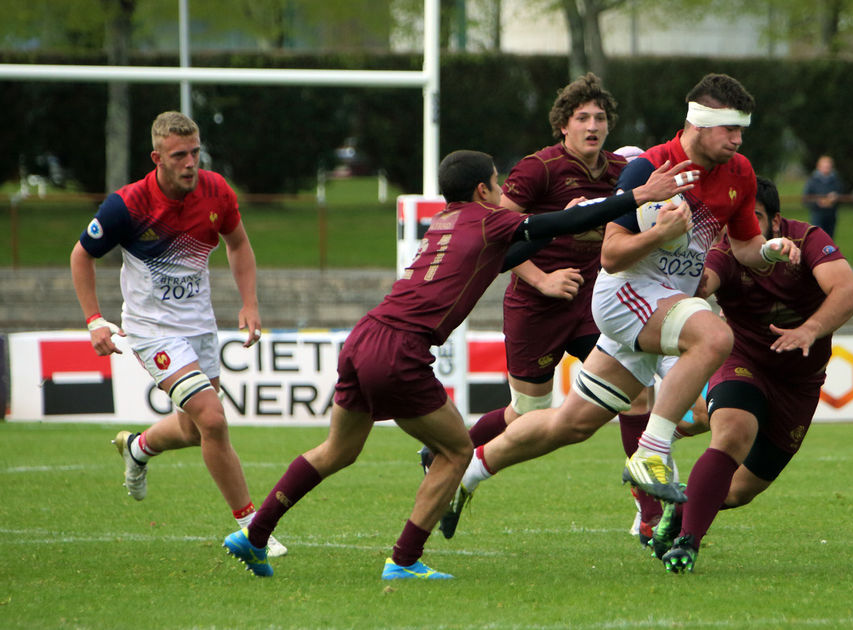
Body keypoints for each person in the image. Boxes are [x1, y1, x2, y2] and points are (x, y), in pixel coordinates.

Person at [221, 149, 698, 579]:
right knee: (456, 452)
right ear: (482, 190)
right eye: (497, 181)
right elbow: (552, 228)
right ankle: (404, 560)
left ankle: (254, 535)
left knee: (336, 451)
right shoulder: (487, 218)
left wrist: (576, 216)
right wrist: (637, 196)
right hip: (401, 350)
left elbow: (511, 252)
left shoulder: (447, 221)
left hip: (364, 338)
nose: (501, 189)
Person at [444, 73, 801, 538]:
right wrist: (659, 234)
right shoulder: (649, 170)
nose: (738, 139)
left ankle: (469, 471)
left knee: (568, 424)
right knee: (714, 335)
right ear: (699, 123)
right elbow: (611, 256)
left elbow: (746, 246)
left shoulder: (740, 173)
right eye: (730, 129)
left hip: (665, 306)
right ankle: (651, 451)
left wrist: (771, 250)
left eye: (741, 130)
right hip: (625, 296)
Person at [70, 110, 286, 557]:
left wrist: (250, 303)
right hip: (152, 330)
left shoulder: (216, 190)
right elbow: (81, 256)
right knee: (213, 419)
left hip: (200, 325)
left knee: (193, 430)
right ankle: (252, 527)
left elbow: (239, 243)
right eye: (180, 155)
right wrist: (94, 320)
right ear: (157, 158)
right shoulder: (127, 205)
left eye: (195, 152)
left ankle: (138, 447)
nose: (191, 163)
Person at [654, 177, 853, 573]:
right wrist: (680, 272)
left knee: (737, 492)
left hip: (799, 384)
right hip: (742, 359)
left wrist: (809, 329)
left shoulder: (808, 240)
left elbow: (849, 292)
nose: (745, 231)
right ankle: (688, 543)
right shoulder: (724, 252)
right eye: (737, 223)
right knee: (733, 432)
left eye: (756, 219)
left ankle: (682, 505)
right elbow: (703, 285)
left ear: (777, 222)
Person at [803, 155, 843, 238]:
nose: (826, 169)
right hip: (817, 215)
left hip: (831, 215)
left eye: (828, 167)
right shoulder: (812, 181)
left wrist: (835, 198)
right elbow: (805, 199)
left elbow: (842, 195)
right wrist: (818, 202)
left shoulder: (836, 180)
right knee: (817, 238)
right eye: (824, 167)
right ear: (818, 167)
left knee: (829, 240)